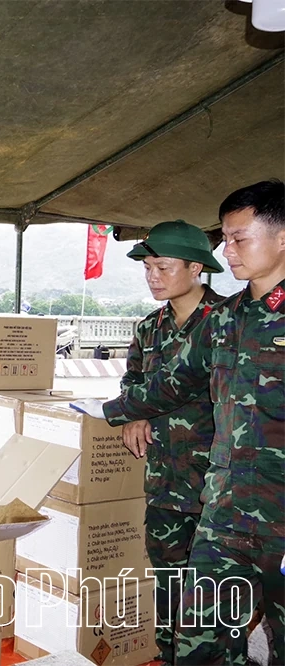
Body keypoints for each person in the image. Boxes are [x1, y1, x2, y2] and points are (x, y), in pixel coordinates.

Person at [71, 180, 284, 666]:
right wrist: (115, 411)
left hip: (280, 514)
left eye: (238, 239)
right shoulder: (227, 319)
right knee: (199, 642)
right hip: (225, 511)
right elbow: (175, 381)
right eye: (224, 239)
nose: (226, 252)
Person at [118, 220, 225, 665]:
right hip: (164, 483)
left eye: (162, 266)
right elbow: (133, 382)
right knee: (167, 586)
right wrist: (133, 414)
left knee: (215, 599)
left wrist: (128, 408)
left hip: (216, 489)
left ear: (196, 267)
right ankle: (167, 656)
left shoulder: (226, 322)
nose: (152, 276)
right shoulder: (149, 327)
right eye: (147, 268)